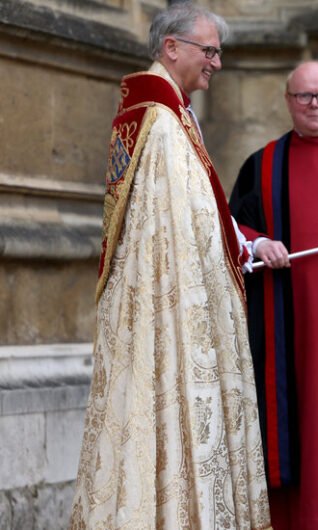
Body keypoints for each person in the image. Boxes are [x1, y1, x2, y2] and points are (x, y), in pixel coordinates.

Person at [70, 3, 271, 529]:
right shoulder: (160, 123)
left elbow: (199, 217)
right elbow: (174, 239)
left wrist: (244, 248)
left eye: (219, 52)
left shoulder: (169, 114)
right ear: (171, 47)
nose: (217, 63)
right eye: (209, 51)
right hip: (171, 314)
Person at [228, 60, 318, 530]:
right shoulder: (262, 166)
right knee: (297, 425)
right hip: (285, 327)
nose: (314, 105)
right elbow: (229, 229)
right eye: (304, 96)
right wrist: (259, 241)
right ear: (287, 100)